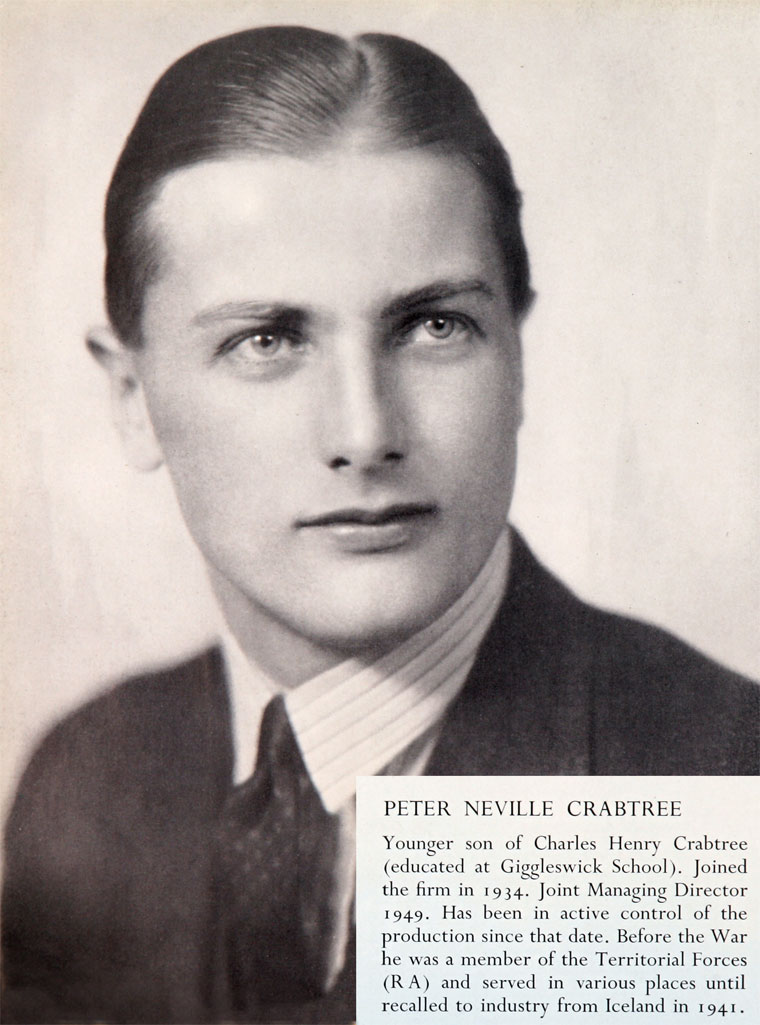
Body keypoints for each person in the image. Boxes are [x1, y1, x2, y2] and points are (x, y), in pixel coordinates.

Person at [2, 24, 757, 1025]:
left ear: (516, 357)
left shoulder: (715, 782)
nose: (364, 434)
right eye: (266, 340)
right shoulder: (87, 774)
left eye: (435, 326)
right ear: (132, 396)